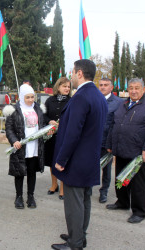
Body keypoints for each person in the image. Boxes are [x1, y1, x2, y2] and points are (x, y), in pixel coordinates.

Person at [51, 59, 107, 250]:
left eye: (73, 72)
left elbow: (73, 133)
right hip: (89, 159)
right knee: (84, 200)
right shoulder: (98, 96)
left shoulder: (81, 97)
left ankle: (75, 244)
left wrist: (61, 160)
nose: (71, 76)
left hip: (76, 160)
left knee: (74, 203)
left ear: (80, 73)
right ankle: (79, 236)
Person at [106, 78, 145, 224]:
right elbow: (114, 124)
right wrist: (111, 144)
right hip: (121, 149)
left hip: (139, 153)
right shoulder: (123, 104)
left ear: (143, 89)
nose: (133, 91)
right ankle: (122, 202)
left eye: (137, 88)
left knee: (139, 184)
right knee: (121, 178)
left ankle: (139, 211)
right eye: (131, 88)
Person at [4, 84, 45, 209]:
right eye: (28, 97)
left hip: (34, 147)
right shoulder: (14, 110)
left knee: (32, 172)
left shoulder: (38, 108)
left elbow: (42, 124)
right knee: (19, 173)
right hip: (20, 148)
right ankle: (19, 197)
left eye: (33, 97)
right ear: (22, 97)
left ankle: (30, 196)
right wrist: (14, 140)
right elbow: (9, 128)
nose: (31, 100)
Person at [44, 77, 71, 200]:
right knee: (51, 161)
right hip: (51, 136)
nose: (67, 88)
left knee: (63, 161)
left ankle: (62, 188)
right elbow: (43, 115)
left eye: (68, 87)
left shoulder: (72, 101)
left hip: (65, 136)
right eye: (64, 86)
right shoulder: (50, 100)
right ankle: (54, 184)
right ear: (58, 87)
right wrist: (49, 121)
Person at [98, 78, 123, 203]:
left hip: (107, 142)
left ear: (111, 87)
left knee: (106, 169)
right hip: (93, 141)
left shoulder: (118, 102)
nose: (103, 87)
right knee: (91, 165)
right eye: (101, 85)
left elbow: (117, 124)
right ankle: (88, 187)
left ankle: (104, 191)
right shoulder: (95, 99)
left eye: (106, 85)